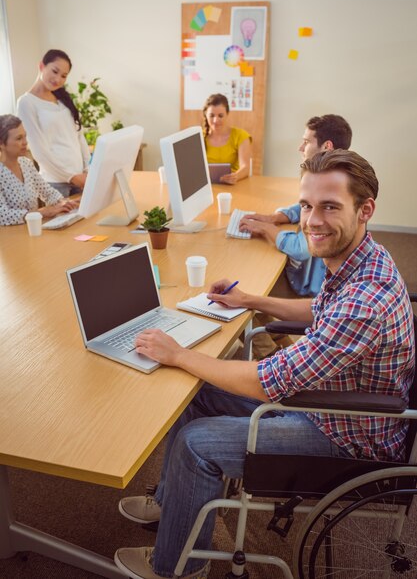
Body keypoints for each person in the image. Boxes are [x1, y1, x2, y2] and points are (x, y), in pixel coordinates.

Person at [114, 150, 415, 579]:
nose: (312, 220)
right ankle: (173, 502)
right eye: (307, 206)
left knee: (195, 442)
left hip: (347, 436)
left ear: (365, 209)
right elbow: (322, 310)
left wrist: (178, 354)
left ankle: (178, 569)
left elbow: (266, 383)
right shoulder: (361, 259)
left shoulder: (366, 301)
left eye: (330, 207)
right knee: (197, 394)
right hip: (328, 401)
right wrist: (251, 301)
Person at [240, 114, 353, 297]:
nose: (300, 147)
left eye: (306, 142)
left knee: (253, 279)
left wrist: (266, 228)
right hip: (322, 281)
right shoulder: (340, 175)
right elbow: (306, 205)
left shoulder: (334, 186)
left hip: (317, 295)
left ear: (327, 146)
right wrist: (276, 217)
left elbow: (302, 249)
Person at [16, 49, 90, 197]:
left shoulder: (63, 99)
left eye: (64, 76)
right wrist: (71, 177)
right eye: (54, 71)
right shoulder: (26, 103)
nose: (58, 79)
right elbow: (39, 151)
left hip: (82, 178)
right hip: (56, 184)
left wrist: (87, 169)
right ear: (41, 66)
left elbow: (79, 136)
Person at [0, 115, 78, 225]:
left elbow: (47, 192)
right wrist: (41, 213)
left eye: (25, 136)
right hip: (11, 237)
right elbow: (2, 215)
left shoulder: (26, 164)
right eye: (19, 138)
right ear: (1, 143)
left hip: (32, 230)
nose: (25, 142)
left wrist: (63, 202)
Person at [203, 93, 251, 185]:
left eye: (220, 116)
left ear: (227, 114)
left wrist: (235, 176)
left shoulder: (241, 136)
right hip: (208, 187)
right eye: (212, 115)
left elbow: (245, 167)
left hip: (233, 186)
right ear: (206, 115)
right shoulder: (199, 137)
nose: (215, 121)